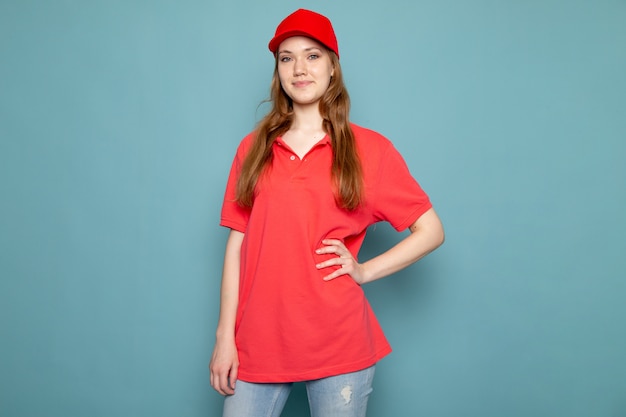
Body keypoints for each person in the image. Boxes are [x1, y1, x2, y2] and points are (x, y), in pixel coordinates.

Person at [209, 8, 444, 417]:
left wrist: (364, 271)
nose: (299, 68)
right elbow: (237, 244)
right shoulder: (253, 149)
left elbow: (431, 230)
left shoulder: (370, 150)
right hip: (258, 339)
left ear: (333, 68)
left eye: (313, 55)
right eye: (287, 57)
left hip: (338, 340)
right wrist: (224, 337)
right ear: (278, 70)